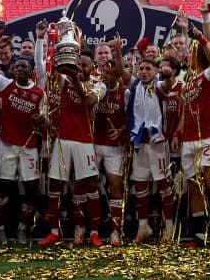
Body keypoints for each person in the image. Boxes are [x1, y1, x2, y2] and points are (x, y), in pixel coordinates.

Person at [0, 20, 48, 244]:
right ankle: (0, 228)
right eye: (17, 66)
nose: (20, 69)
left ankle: (23, 228)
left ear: (31, 72)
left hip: (29, 147)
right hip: (7, 144)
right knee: (3, 187)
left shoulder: (39, 93)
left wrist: (41, 121)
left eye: (25, 67)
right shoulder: (4, 85)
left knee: (30, 190)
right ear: (13, 70)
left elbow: (46, 124)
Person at [174, 0, 210, 247]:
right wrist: (178, 131)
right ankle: (198, 234)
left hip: (208, 136)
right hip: (189, 139)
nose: (187, 55)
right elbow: (185, 110)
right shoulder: (189, 80)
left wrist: (205, 24)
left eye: (192, 52)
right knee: (194, 188)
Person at [39, 50, 106, 247]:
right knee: (55, 185)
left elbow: (89, 102)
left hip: (85, 141)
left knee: (91, 185)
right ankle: (53, 231)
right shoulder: (63, 82)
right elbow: (46, 72)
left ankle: (91, 231)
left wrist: (75, 79)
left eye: (85, 65)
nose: (81, 69)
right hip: (62, 140)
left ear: (92, 68)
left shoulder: (98, 85)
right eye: (79, 65)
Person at [126, 57, 177, 243]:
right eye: (141, 69)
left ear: (156, 72)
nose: (143, 72)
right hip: (140, 143)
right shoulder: (136, 86)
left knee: (164, 184)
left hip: (158, 143)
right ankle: (143, 227)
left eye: (148, 68)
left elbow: (169, 85)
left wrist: (169, 75)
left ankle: (169, 228)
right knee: (139, 184)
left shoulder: (159, 86)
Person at [93, 38, 130, 245]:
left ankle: (116, 232)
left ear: (117, 74)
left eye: (108, 73)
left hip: (114, 148)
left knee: (115, 186)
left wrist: (122, 131)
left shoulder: (125, 93)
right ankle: (91, 231)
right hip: (94, 145)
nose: (104, 76)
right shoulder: (96, 89)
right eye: (103, 73)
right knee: (88, 185)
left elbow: (131, 119)